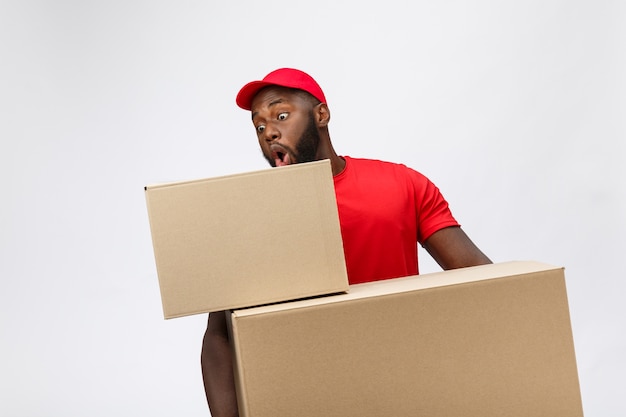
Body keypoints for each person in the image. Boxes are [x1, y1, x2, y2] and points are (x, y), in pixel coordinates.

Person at [201, 68, 492, 416]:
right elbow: (219, 335)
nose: (270, 133)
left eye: (281, 115)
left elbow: (483, 283)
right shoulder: (248, 217)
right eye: (259, 127)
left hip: (404, 392)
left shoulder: (402, 184)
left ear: (321, 115)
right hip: (301, 399)